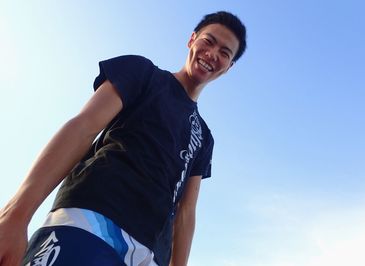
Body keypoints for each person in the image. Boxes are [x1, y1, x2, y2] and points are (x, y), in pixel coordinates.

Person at [0, 10, 246, 266]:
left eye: (224, 53)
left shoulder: (204, 137)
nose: (212, 54)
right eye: (208, 41)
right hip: (91, 221)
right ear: (192, 39)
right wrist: (16, 214)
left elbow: (186, 212)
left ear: (229, 67)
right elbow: (83, 127)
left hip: (152, 255)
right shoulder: (143, 73)